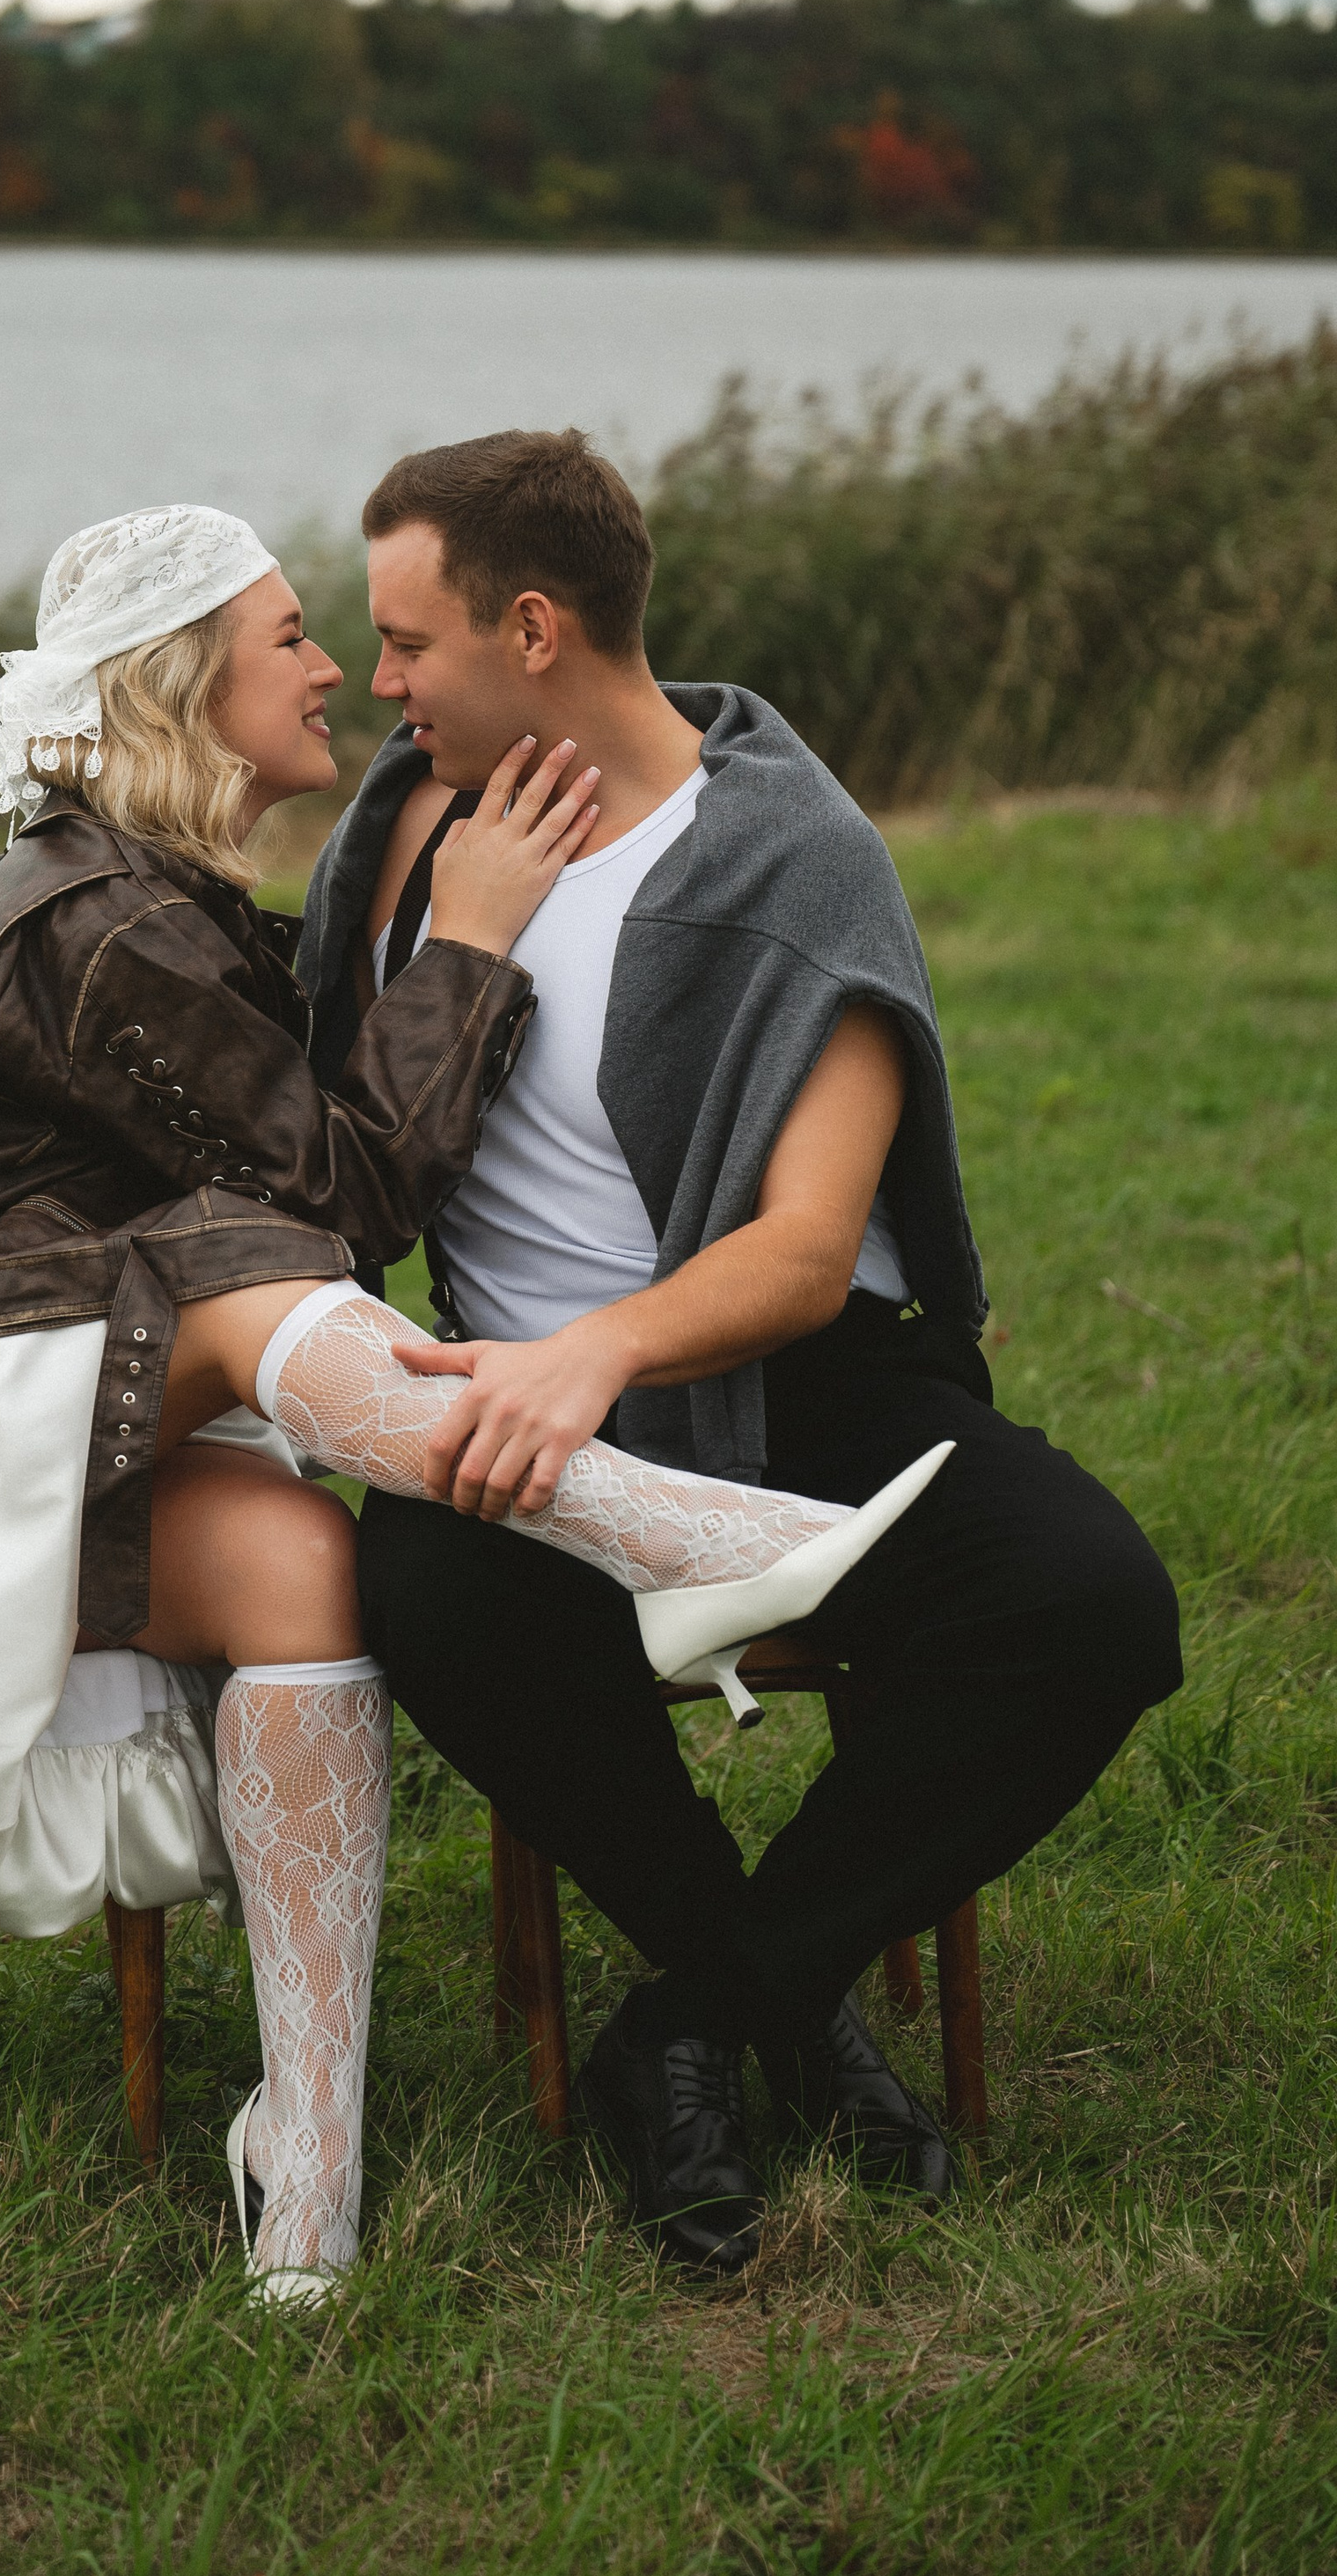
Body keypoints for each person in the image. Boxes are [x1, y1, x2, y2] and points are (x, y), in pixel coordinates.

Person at [0, 505, 940, 2306]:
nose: (335, 666)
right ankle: (681, 1537)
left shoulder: (153, 896)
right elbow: (334, 1214)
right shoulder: (97, 917)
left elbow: (292, 1200)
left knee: (302, 1575)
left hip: (34, 1387)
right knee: (238, 1260)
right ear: (189, 678)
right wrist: (476, 940)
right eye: (288, 635)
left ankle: (309, 2173)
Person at [297, 429, 1186, 2277]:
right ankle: (780, 2008)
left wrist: (597, 1356)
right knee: (431, 1582)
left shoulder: (782, 850)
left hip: (796, 1385)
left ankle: (691, 2024)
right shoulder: (397, 831)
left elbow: (797, 1247)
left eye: (406, 640)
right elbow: (337, 1160)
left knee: (1087, 1600)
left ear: (529, 626)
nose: (380, 683)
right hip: (510, 1396)